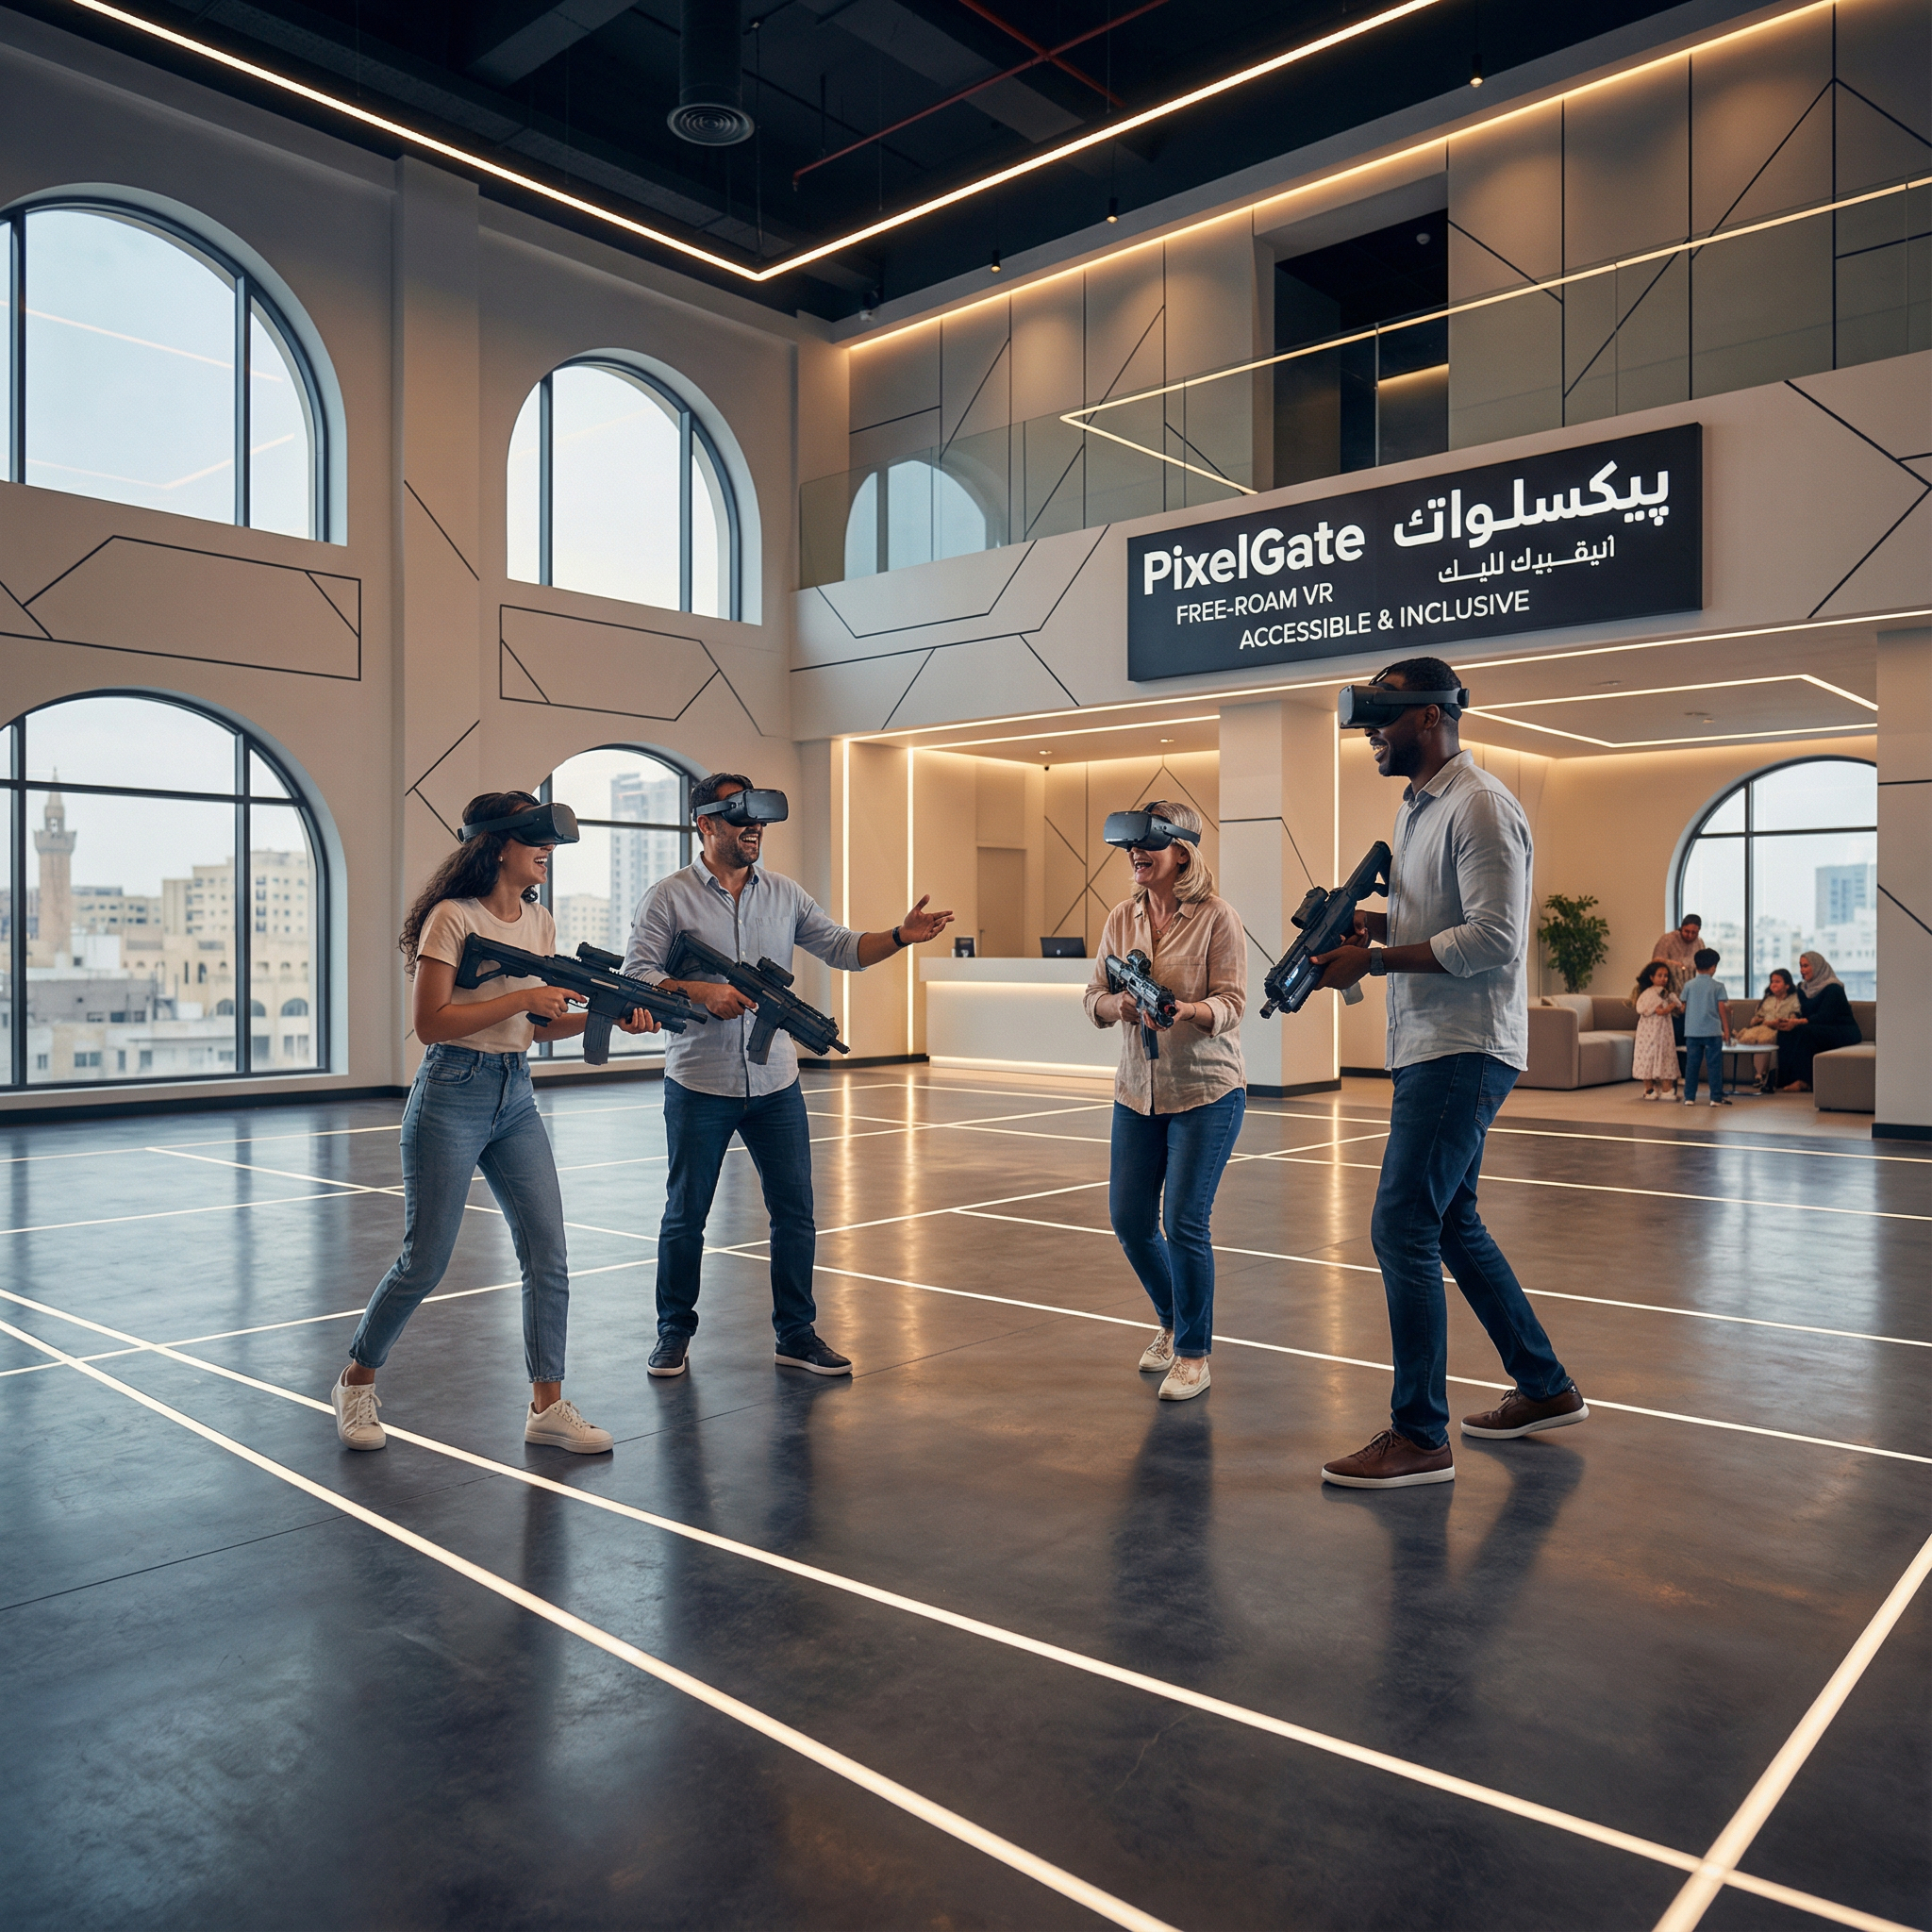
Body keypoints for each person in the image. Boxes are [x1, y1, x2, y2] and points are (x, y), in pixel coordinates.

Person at [1310, 658, 1586, 1490]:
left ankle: (1419, 1435)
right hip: (1431, 1043)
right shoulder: (1423, 807)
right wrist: (1371, 920)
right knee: (1451, 1222)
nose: (1372, 736)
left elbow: (1495, 938)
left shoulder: (1481, 805)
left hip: (1462, 1046)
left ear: (1431, 717)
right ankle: (1543, 1386)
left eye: (1384, 721)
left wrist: (1380, 956)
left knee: (1401, 1225)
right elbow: (1443, 917)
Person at [332, 792, 658, 1455]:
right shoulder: (452, 919)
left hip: (514, 1092)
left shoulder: (539, 922)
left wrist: (608, 1018)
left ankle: (547, 1406)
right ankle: (356, 1380)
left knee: (549, 1254)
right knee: (425, 1261)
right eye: (537, 842)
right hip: (452, 1087)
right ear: (498, 846)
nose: (548, 854)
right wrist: (521, 997)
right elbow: (430, 1024)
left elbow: (534, 1026)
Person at [625, 774, 954, 1379]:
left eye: (760, 821)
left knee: (795, 1213)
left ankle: (796, 1334)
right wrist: (703, 991)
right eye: (740, 818)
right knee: (686, 1213)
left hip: (776, 1083)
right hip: (699, 1082)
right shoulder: (667, 897)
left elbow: (842, 947)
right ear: (705, 823)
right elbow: (638, 976)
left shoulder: (785, 893)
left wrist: (901, 936)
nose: (754, 830)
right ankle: (673, 1330)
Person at [1084, 800, 1247, 1402]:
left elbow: (1232, 1002)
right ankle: (1172, 1318)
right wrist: (1117, 1006)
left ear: (1182, 851)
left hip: (1206, 1091)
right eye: (1131, 846)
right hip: (1136, 1093)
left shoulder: (1217, 918)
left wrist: (1189, 1011)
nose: (1135, 855)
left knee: (1183, 1221)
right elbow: (1093, 994)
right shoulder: (1121, 918)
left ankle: (1194, 1353)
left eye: (1148, 843)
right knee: (1129, 1220)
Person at [1774, 950, 1860, 1091]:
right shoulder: (1802, 989)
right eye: (1801, 966)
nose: (1802, 970)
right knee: (1785, 1031)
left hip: (1841, 1030)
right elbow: (1800, 1010)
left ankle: (1804, 1081)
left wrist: (1798, 1022)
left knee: (1807, 1032)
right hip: (1815, 1026)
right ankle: (1784, 1079)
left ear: (1817, 966)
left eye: (1806, 966)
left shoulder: (1833, 988)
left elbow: (1825, 1017)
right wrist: (1790, 1020)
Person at [1679, 947, 1733, 1106]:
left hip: (1692, 1032)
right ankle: (1715, 1098)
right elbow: (1721, 1009)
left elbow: (1683, 1007)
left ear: (1696, 966)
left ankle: (1689, 1097)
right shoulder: (1718, 986)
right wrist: (1727, 1030)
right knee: (1714, 1065)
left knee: (1692, 1066)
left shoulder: (1689, 985)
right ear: (1713, 967)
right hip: (1712, 1032)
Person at [1738, 968, 1799, 1091]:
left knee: (1766, 1039)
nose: (1773, 984)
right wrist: (1765, 1022)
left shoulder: (1794, 999)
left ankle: (1761, 1074)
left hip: (1782, 1029)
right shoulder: (1768, 1000)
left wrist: (1781, 1022)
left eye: (1777, 981)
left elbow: (1794, 1017)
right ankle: (1760, 1074)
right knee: (1758, 1038)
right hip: (1764, 1027)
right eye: (1772, 981)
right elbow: (1756, 1018)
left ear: (1787, 985)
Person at [1650, 913, 1704, 1049]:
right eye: (1687, 931)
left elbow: (1702, 966)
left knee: (1689, 1037)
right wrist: (1676, 965)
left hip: (1690, 993)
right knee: (1675, 1033)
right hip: (1670, 990)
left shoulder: (1700, 943)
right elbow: (1656, 962)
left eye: (1694, 933)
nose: (1690, 936)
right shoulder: (1667, 940)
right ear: (1681, 928)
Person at [1632, 960, 1681, 1101]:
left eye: (1666, 976)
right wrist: (1670, 1006)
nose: (1663, 978)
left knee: (1666, 1055)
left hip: (1664, 1031)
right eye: (1660, 975)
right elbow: (1657, 1010)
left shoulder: (1666, 993)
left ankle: (1666, 1089)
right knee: (1648, 1056)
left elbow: (1679, 1006)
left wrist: (1675, 1004)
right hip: (1649, 1031)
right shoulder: (1648, 994)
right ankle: (1649, 1089)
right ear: (1651, 977)